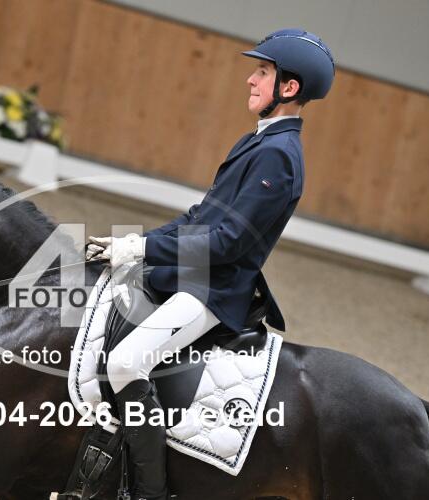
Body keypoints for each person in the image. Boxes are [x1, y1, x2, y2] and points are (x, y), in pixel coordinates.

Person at [85, 29, 335, 500]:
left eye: (263, 72)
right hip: (193, 274)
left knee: (125, 362)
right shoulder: (257, 141)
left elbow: (228, 242)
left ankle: (149, 492)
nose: (250, 79)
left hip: (214, 291)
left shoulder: (279, 156)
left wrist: (143, 252)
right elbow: (200, 217)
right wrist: (135, 243)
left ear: (289, 87)